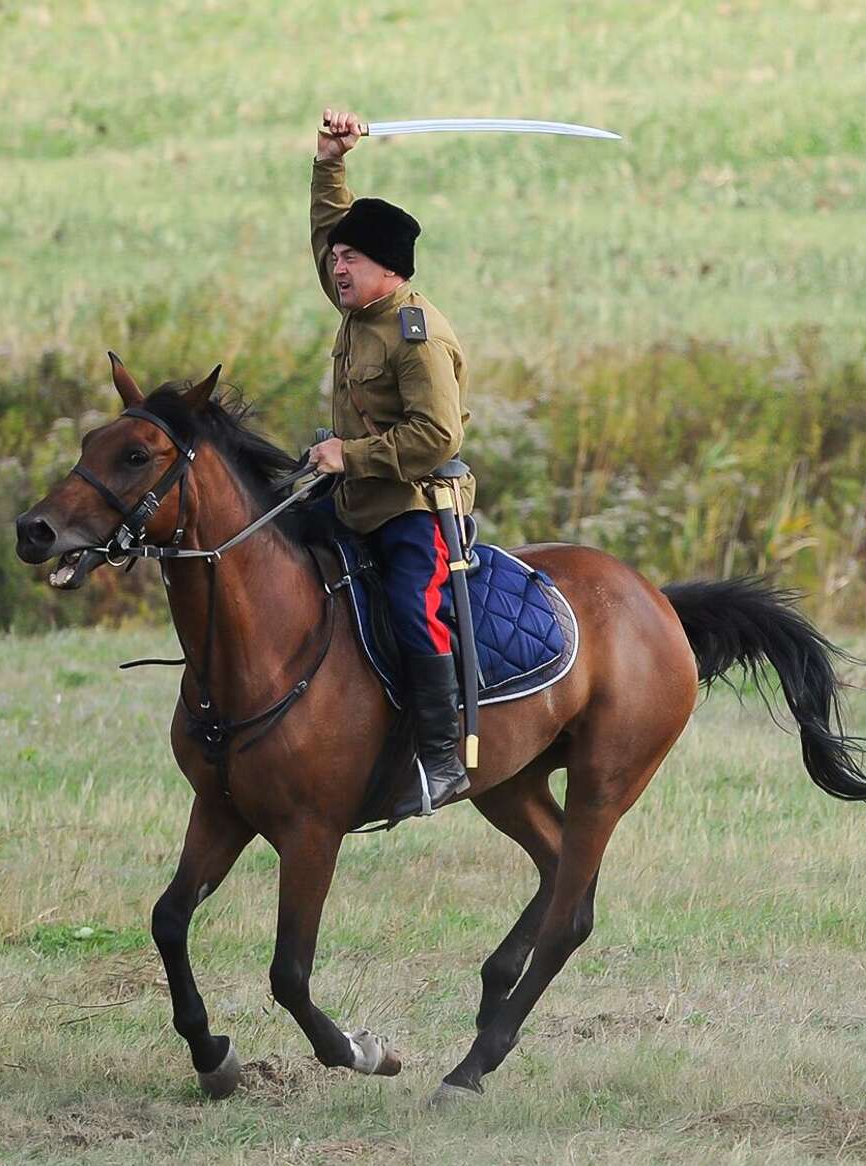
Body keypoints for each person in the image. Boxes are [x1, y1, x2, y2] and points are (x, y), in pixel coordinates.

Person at [307, 107, 476, 816]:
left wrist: (350, 454)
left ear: (389, 269)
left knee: (413, 611)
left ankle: (441, 761)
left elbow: (438, 438)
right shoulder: (356, 308)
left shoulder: (415, 335)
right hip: (352, 499)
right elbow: (326, 230)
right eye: (337, 259)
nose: (335, 266)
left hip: (414, 508)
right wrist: (329, 160)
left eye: (351, 259)